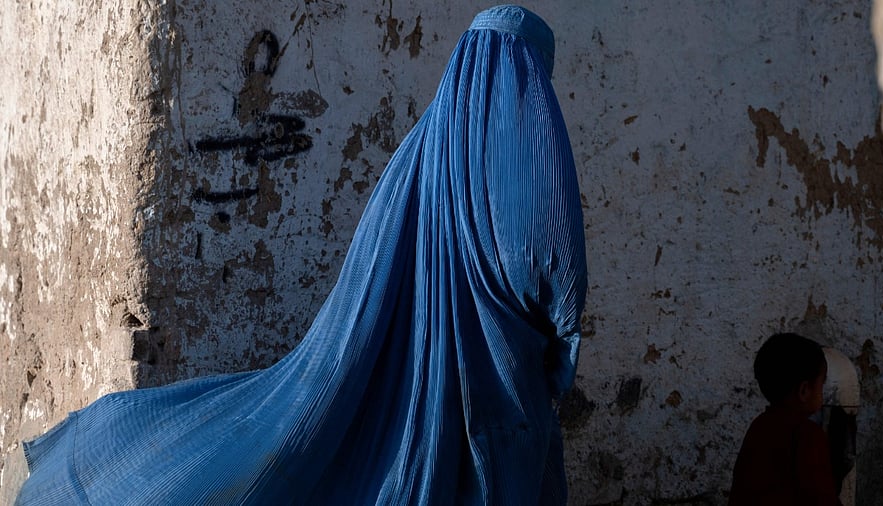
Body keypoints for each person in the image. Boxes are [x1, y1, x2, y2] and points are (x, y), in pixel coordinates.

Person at [16, 5, 586, 505]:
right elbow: (551, 260)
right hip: (504, 370)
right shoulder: (533, 152)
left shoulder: (419, 156)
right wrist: (559, 344)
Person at [728, 333, 840, 505]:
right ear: (804, 390)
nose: (823, 392)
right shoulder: (806, 434)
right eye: (821, 384)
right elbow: (821, 497)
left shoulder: (759, 426)